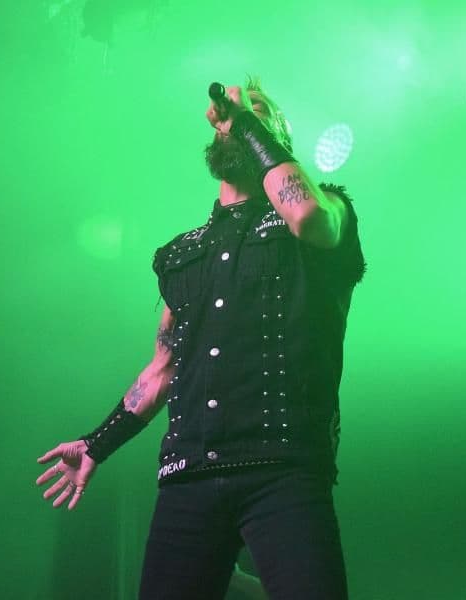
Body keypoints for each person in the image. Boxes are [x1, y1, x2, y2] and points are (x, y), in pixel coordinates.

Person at [37, 76, 365, 600]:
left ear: (276, 136)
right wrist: (99, 443)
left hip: (281, 467)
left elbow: (305, 217)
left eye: (258, 112)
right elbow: (163, 368)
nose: (233, 119)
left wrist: (247, 121)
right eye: (232, 118)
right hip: (189, 474)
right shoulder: (183, 253)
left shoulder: (328, 207)